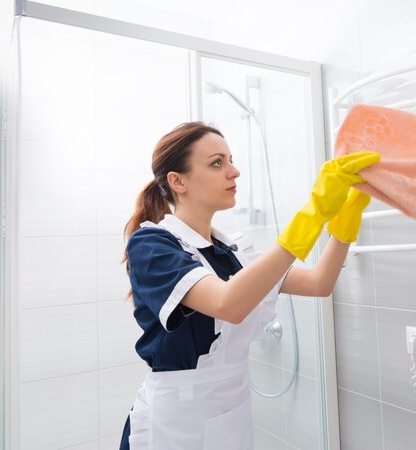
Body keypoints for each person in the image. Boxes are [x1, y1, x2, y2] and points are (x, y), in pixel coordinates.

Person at [118, 121, 379, 450]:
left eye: (231, 160)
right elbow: (229, 305)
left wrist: (344, 221)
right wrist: (311, 215)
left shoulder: (235, 250)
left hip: (231, 416)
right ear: (177, 181)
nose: (234, 172)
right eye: (217, 163)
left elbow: (319, 282)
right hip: (173, 424)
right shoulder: (152, 244)